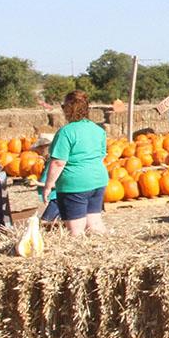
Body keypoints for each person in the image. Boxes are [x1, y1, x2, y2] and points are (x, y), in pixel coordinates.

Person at [42, 90, 108, 236]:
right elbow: (102, 155)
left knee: (76, 231)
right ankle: (108, 246)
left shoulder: (66, 132)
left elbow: (58, 162)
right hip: (98, 180)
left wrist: (48, 186)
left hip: (75, 185)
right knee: (94, 224)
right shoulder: (98, 130)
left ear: (68, 109)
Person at [31, 133, 62, 223]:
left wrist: (37, 183)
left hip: (56, 198)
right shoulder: (48, 163)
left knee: (44, 222)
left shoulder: (54, 164)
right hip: (53, 198)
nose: (38, 151)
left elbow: (57, 183)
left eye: (41, 148)